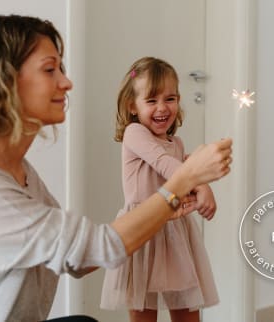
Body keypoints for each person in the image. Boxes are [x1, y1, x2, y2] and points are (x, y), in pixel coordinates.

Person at [0, 15, 232, 322]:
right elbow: (100, 248)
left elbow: (79, 257)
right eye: (50, 70)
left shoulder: (19, 173)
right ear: (4, 82)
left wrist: (162, 207)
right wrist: (186, 179)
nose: (66, 82)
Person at [100, 57, 227, 322]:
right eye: (151, 100)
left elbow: (178, 173)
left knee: (187, 309)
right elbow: (165, 165)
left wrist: (197, 182)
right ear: (131, 106)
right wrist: (200, 183)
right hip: (143, 230)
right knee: (144, 314)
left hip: (175, 232)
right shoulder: (134, 133)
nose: (162, 108)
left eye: (170, 99)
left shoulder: (176, 142)